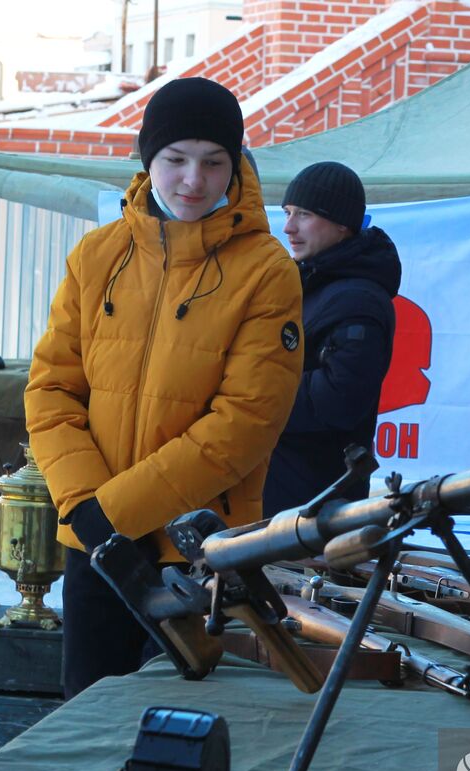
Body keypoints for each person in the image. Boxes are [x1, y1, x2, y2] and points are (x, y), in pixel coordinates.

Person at [26, 78, 304, 699]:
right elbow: (51, 391)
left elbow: (246, 422)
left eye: (213, 163)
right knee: (87, 719)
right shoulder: (96, 256)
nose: (192, 181)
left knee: (178, 731)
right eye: (174, 160)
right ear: (148, 159)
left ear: (235, 166)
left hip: (199, 550)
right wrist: (86, 507)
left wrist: (114, 512)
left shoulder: (267, 270)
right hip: (93, 545)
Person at [263, 161, 401, 515]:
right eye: (287, 212)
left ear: (343, 225)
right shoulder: (310, 283)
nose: (288, 227)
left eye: (304, 214)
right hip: (284, 492)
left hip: (314, 504)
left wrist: (251, 393)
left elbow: (340, 399)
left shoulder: (359, 299)